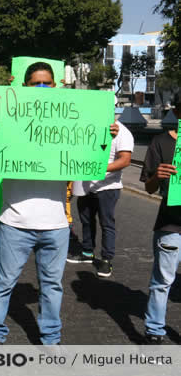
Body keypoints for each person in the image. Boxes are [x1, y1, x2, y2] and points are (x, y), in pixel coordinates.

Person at [0, 61, 119, 345]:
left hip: (56, 225)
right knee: (2, 285)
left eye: (47, 83)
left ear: (55, 86)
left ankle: (51, 339)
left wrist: (103, 137)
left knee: (51, 287)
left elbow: (86, 161)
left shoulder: (70, 121)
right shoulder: (7, 120)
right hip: (15, 223)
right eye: (36, 84)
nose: (42, 88)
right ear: (26, 86)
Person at [68, 103, 134, 278]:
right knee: (86, 220)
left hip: (108, 187)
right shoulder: (87, 129)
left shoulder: (123, 132)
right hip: (85, 185)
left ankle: (106, 259)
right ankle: (87, 252)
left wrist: (99, 168)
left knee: (107, 223)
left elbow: (125, 160)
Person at [140, 93, 181, 344]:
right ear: (177, 112)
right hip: (171, 224)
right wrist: (158, 175)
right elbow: (148, 189)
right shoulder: (161, 143)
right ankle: (155, 330)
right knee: (163, 281)